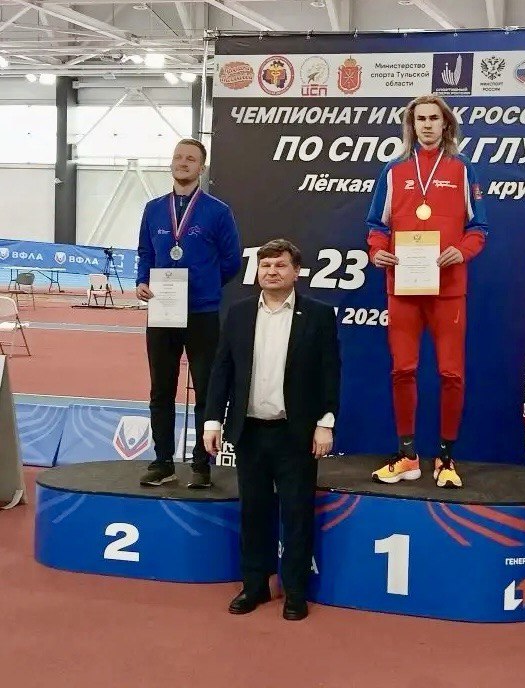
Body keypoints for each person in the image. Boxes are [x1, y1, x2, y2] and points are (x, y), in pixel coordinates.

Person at [202, 239, 340, 620]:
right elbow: (222, 370)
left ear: (296, 272)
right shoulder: (239, 314)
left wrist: (325, 423)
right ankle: (255, 585)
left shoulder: (318, 315)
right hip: (249, 432)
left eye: (280, 265)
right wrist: (213, 420)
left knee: (296, 514)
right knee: (253, 512)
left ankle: (294, 591)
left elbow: (330, 373)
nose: (271, 272)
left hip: (296, 434)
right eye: (265, 266)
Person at [366, 94, 488, 489]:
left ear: (446, 124)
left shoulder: (462, 168)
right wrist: (377, 252)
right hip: (403, 287)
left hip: (447, 288)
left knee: (451, 373)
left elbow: (479, 228)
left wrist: (462, 251)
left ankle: (446, 459)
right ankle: (407, 456)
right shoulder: (394, 170)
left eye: (434, 118)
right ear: (411, 125)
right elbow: (377, 226)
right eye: (420, 119)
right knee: (402, 370)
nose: (427, 125)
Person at [136, 138, 241, 489]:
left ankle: (201, 464)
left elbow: (231, 260)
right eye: (178, 157)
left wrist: (205, 285)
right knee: (161, 390)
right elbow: (145, 253)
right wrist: (142, 281)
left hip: (202, 313)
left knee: (206, 390)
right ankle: (162, 461)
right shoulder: (153, 209)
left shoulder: (217, 211)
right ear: (172, 163)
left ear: (202, 167)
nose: (183, 163)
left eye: (191, 159)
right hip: (162, 312)